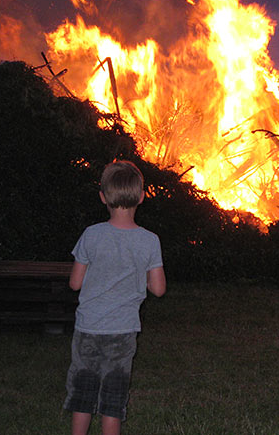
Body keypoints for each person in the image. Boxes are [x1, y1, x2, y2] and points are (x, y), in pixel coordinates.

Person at [63, 160, 166, 435]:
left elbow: (75, 283)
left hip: (89, 328)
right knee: (113, 398)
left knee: (83, 392)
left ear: (102, 197)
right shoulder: (149, 240)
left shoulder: (91, 235)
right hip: (122, 331)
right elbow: (158, 289)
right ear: (142, 197)